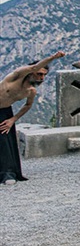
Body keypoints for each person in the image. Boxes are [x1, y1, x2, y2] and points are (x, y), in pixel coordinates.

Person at [0, 52, 66, 184]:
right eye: (39, 74)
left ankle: (8, 174)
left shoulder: (30, 91)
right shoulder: (15, 76)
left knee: (5, 142)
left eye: (44, 75)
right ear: (31, 72)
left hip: (4, 112)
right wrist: (53, 58)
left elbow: (28, 105)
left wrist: (13, 119)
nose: (42, 78)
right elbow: (33, 67)